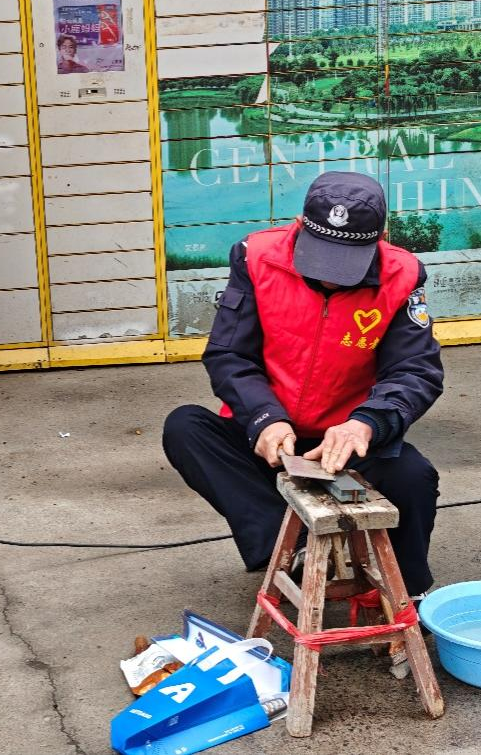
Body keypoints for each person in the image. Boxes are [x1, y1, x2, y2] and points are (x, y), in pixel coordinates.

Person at [163, 172, 444, 599]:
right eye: (321, 258)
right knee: (186, 428)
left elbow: (416, 371)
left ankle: (407, 595)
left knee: (414, 476)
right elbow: (229, 355)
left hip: (344, 441)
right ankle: (287, 544)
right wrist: (264, 419)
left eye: (344, 263)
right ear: (299, 224)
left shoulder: (403, 276)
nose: (330, 278)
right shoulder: (255, 258)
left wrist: (365, 424)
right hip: (274, 436)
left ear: (382, 237)